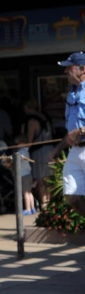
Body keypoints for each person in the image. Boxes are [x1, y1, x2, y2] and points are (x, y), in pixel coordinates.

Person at [58, 52, 85, 218]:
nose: (65, 71)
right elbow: (71, 130)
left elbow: (78, 130)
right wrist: (57, 149)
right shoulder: (72, 92)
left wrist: (82, 131)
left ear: (83, 69)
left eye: (69, 67)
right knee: (71, 195)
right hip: (75, 150)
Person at [21, 99, 54, 209]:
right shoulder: (45, 117)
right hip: (51, 148)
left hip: (40, 151)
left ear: (27, 108)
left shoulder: (32, 121)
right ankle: (50, 203)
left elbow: (30, 142)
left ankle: (44, 203)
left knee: (41, 178)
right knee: (48, 178)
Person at [13, 134, 36, 215]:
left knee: (25, 193)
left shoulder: (21, 152)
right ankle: (32, 208)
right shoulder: (26, 151)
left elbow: (18, 160)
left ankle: (27, 209)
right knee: (30, 193)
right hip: (28, 174)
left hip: (23, 175)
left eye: (18, 143)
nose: (17, 145)